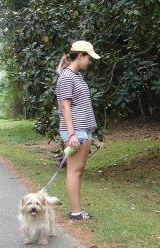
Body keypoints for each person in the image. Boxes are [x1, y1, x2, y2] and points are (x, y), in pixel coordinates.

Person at [56, 40, 101, 220]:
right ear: (80, 55)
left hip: (82, 129)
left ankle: (77, 209)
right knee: (74, 170)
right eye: (88, 58)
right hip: (75, 131)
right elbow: (65, 107)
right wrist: (72, 134)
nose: (89, 62)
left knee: (78, 169)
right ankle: (75, 212)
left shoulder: (77, 76)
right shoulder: (67, 77)